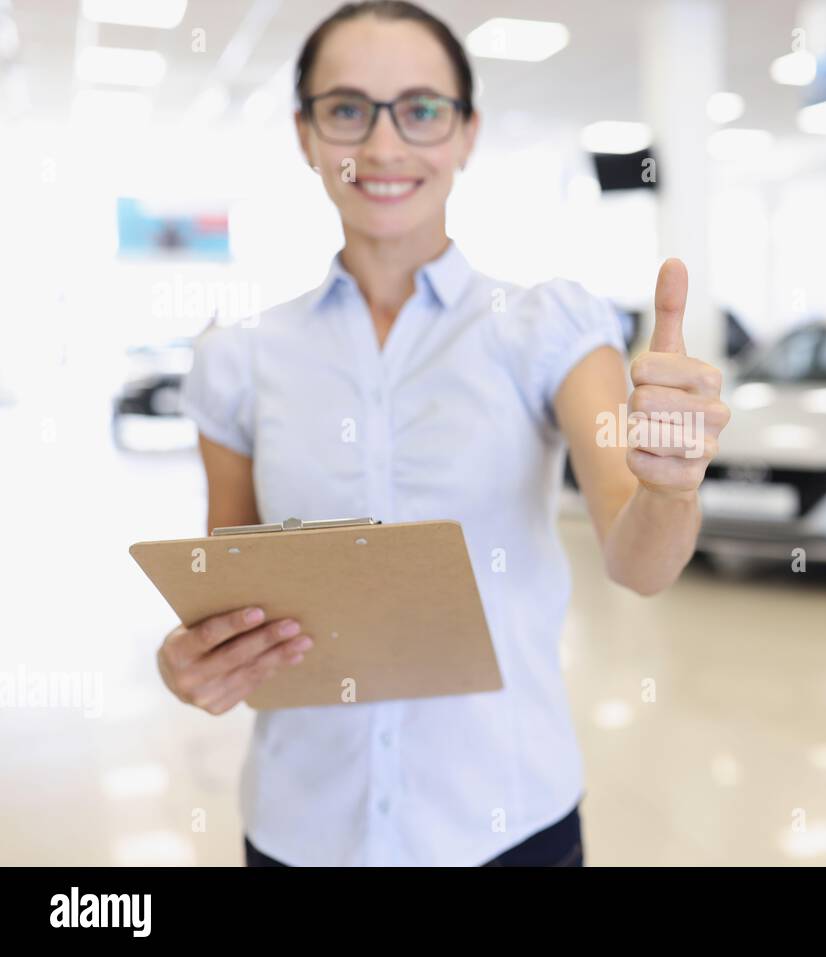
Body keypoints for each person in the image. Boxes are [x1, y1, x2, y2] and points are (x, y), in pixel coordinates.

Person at [154, 0, 729, 867]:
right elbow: (228, 597)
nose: (385, 148)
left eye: (421, 110)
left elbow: (637, 560)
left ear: (466, 135)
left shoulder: (546, 327)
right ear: (305, 136)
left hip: (506, 821)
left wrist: (672, 488)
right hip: (303, 829)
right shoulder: (240, 359)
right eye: (348, 110)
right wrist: (192, 663)